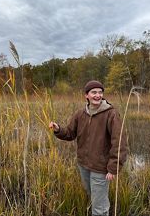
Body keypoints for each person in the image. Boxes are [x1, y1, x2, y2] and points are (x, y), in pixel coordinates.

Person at [49, 80, 128, 216]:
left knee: (99, 207)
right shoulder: (80, 114)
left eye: (100, 92)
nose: (97, 95)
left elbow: (120, 142)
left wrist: (113, 167)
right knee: (96, 198)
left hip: (100, 167)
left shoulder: (111, 114)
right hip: (83, 165)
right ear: (86, 95)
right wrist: (58, 129)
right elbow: (70, 133)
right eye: (94, 92)